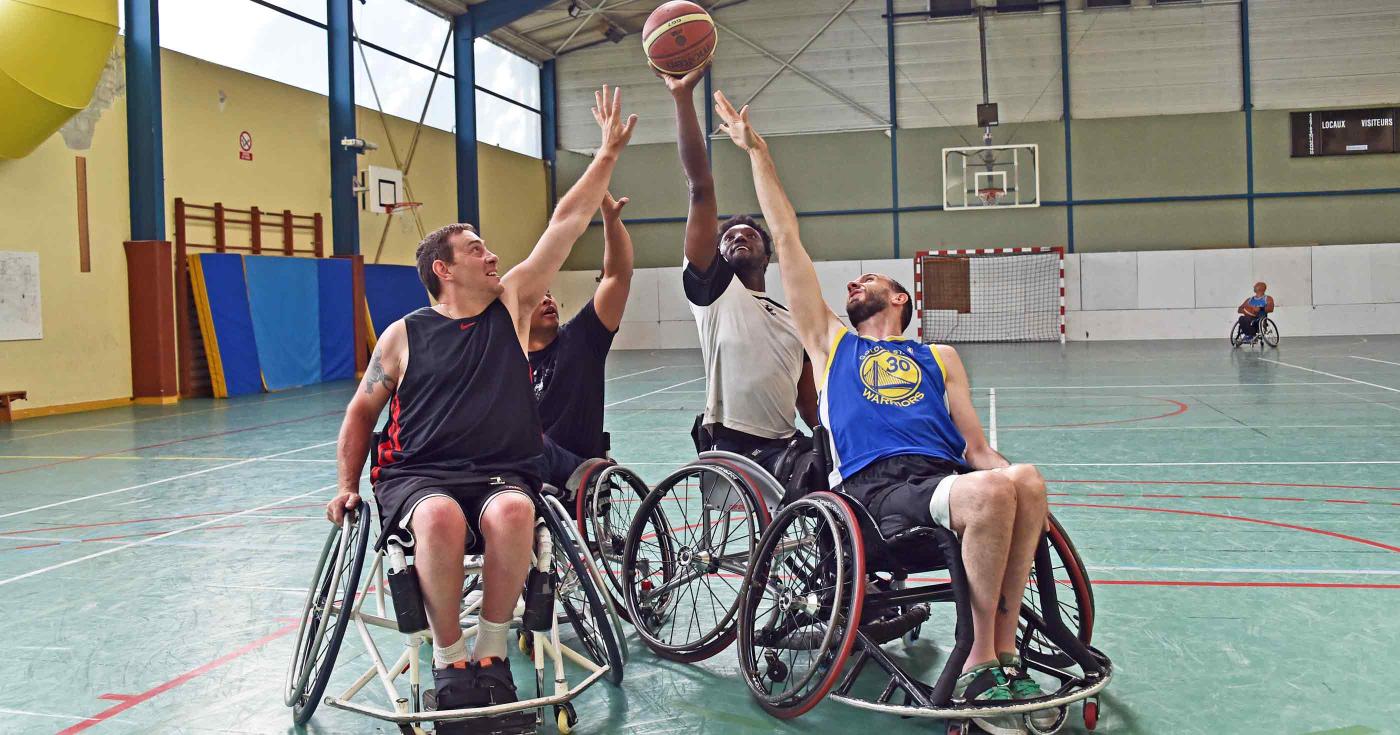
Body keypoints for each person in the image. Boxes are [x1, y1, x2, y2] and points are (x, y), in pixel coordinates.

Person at [714, 90, 1053, 732]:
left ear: (899, 296)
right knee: (986, 497)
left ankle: (1003, 653)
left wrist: (1008, 481)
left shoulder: (939, 355)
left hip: (939, 479)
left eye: (866, 280)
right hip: (872, 494)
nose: (852, 286)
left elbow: (977, 449)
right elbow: (785, 239)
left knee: (1023, 481)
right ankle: (982, 656)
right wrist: (758, 154)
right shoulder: (830, 341)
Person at [325, 85, 635, 733]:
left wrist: (606, 153)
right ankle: (450, 666)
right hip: (419, 476)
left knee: (519, 508)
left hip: (501, 471)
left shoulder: (513, 304)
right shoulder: (404, 334)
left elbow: (566, 223)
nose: (492, 255)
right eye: (476, 249)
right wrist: (346, 486)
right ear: (444, 268)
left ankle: (491, 658)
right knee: (436, 517)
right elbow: (360, 414)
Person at [659, 62, 818, 477]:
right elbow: (700, 186)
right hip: (732, 446)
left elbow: (809, 405)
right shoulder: (715, 293)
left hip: (787, 446)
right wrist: (682, 98)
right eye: (728, 237)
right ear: (718, 254)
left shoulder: (792, 320)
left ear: (767, 254)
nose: (737, 237)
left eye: (750, 235)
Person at [528, 192, 633, 489]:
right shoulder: (505, 358)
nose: (547, 300)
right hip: (527, 463)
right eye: (537, 297)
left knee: (526, 444)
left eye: (549, 294)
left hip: (576, 468)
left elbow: (617, 276)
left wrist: (611, 222)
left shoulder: (582, 339)